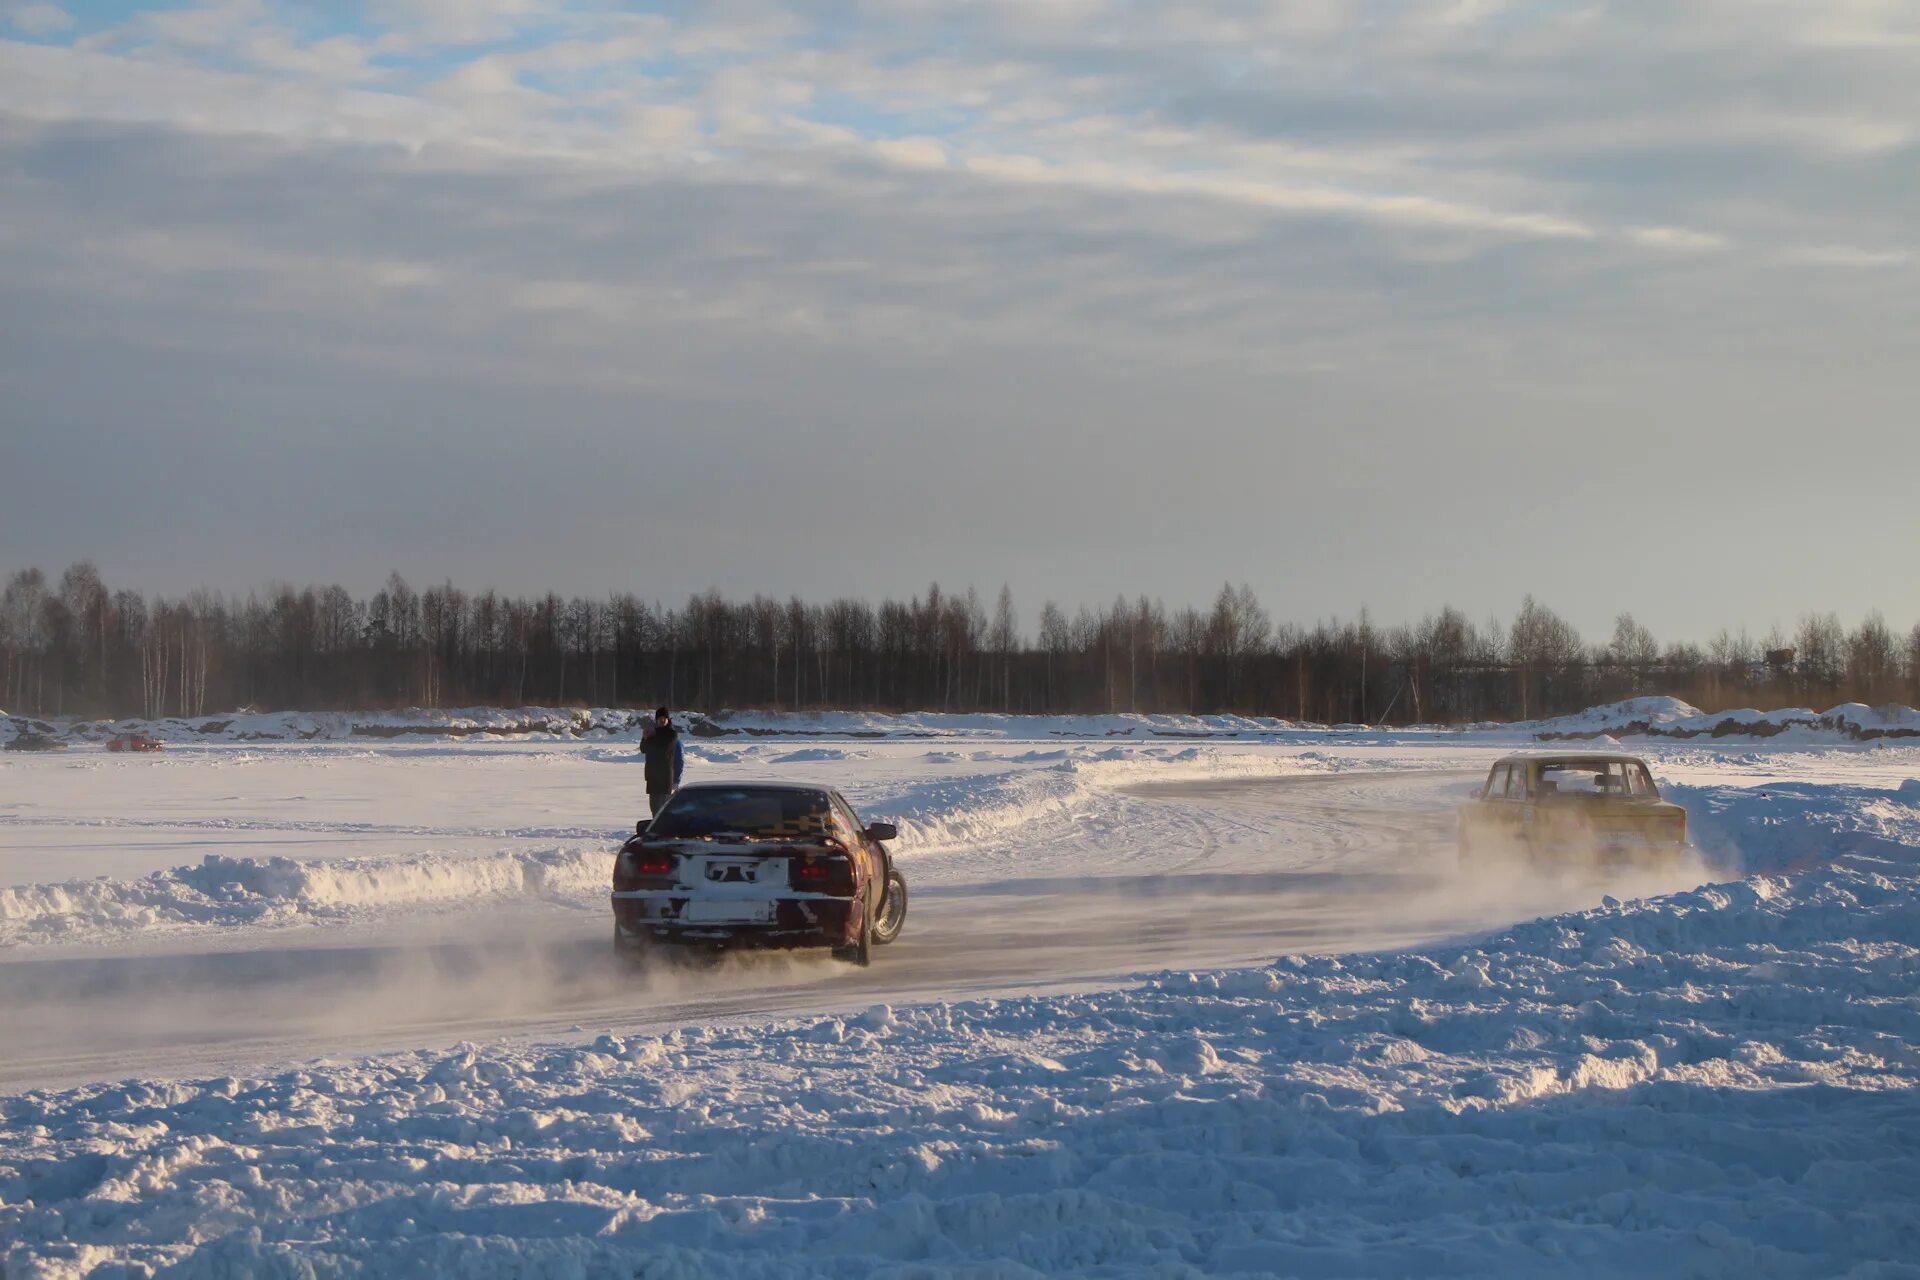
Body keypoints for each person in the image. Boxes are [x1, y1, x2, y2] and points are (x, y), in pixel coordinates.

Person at [639, 706, 684, 815]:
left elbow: (664, 746)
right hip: (652, 777)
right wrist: (645, 738)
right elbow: (643, 749)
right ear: (656, 720)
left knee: (664, 811)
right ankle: (655, 830)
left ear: (668, 720)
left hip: (665, 778)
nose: (662, 720)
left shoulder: (671, 734)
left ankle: (665, 831)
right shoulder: (651, 733)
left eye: (664, 718)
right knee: (654, 809)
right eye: (660, 718)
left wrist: (676, 780)